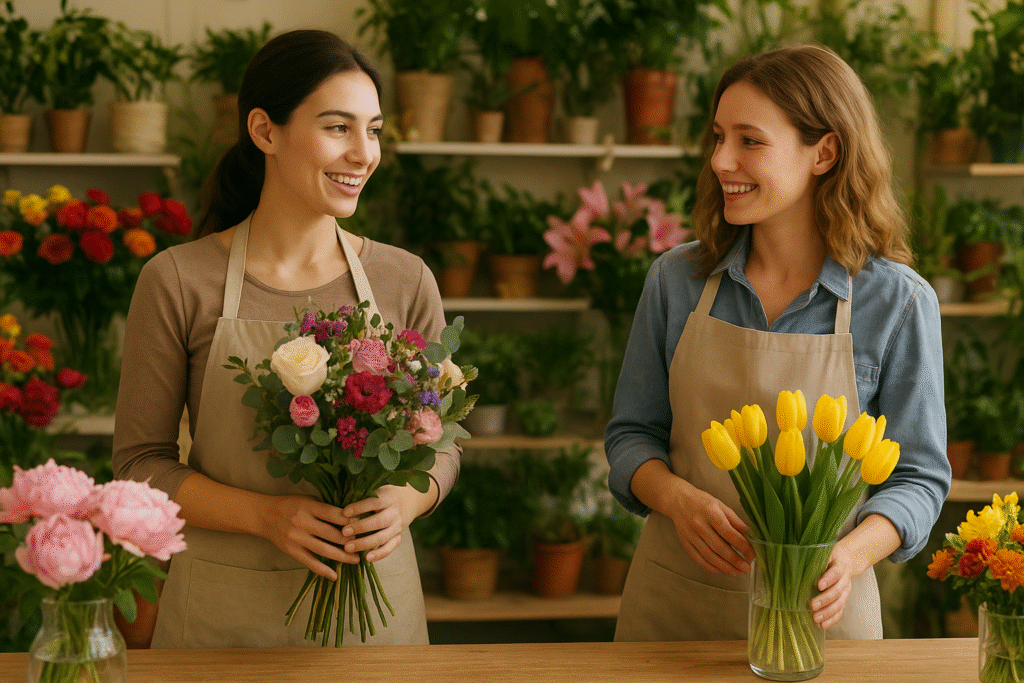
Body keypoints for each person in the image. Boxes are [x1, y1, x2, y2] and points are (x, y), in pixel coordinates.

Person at [112, 29, 458, 648]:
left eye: (373, 130)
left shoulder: (405, 279)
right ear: (265, 131)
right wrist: (266, 516)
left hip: (373, 621)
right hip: (220, 618)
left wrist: (409, 501)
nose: (364, 154)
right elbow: (140, 467)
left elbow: (445, 442)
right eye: (337, 128)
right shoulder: (177, 279)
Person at [605, 44, 950, 641]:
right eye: (717, 137)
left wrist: (853, 555)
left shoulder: (899, 303)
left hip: (821, 619)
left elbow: (919, 478)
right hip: (674, 611)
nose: (720, 160)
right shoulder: (675, 282)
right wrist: (680, 501)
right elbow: (631, 435)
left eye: (749, 141)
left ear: (825, 152)